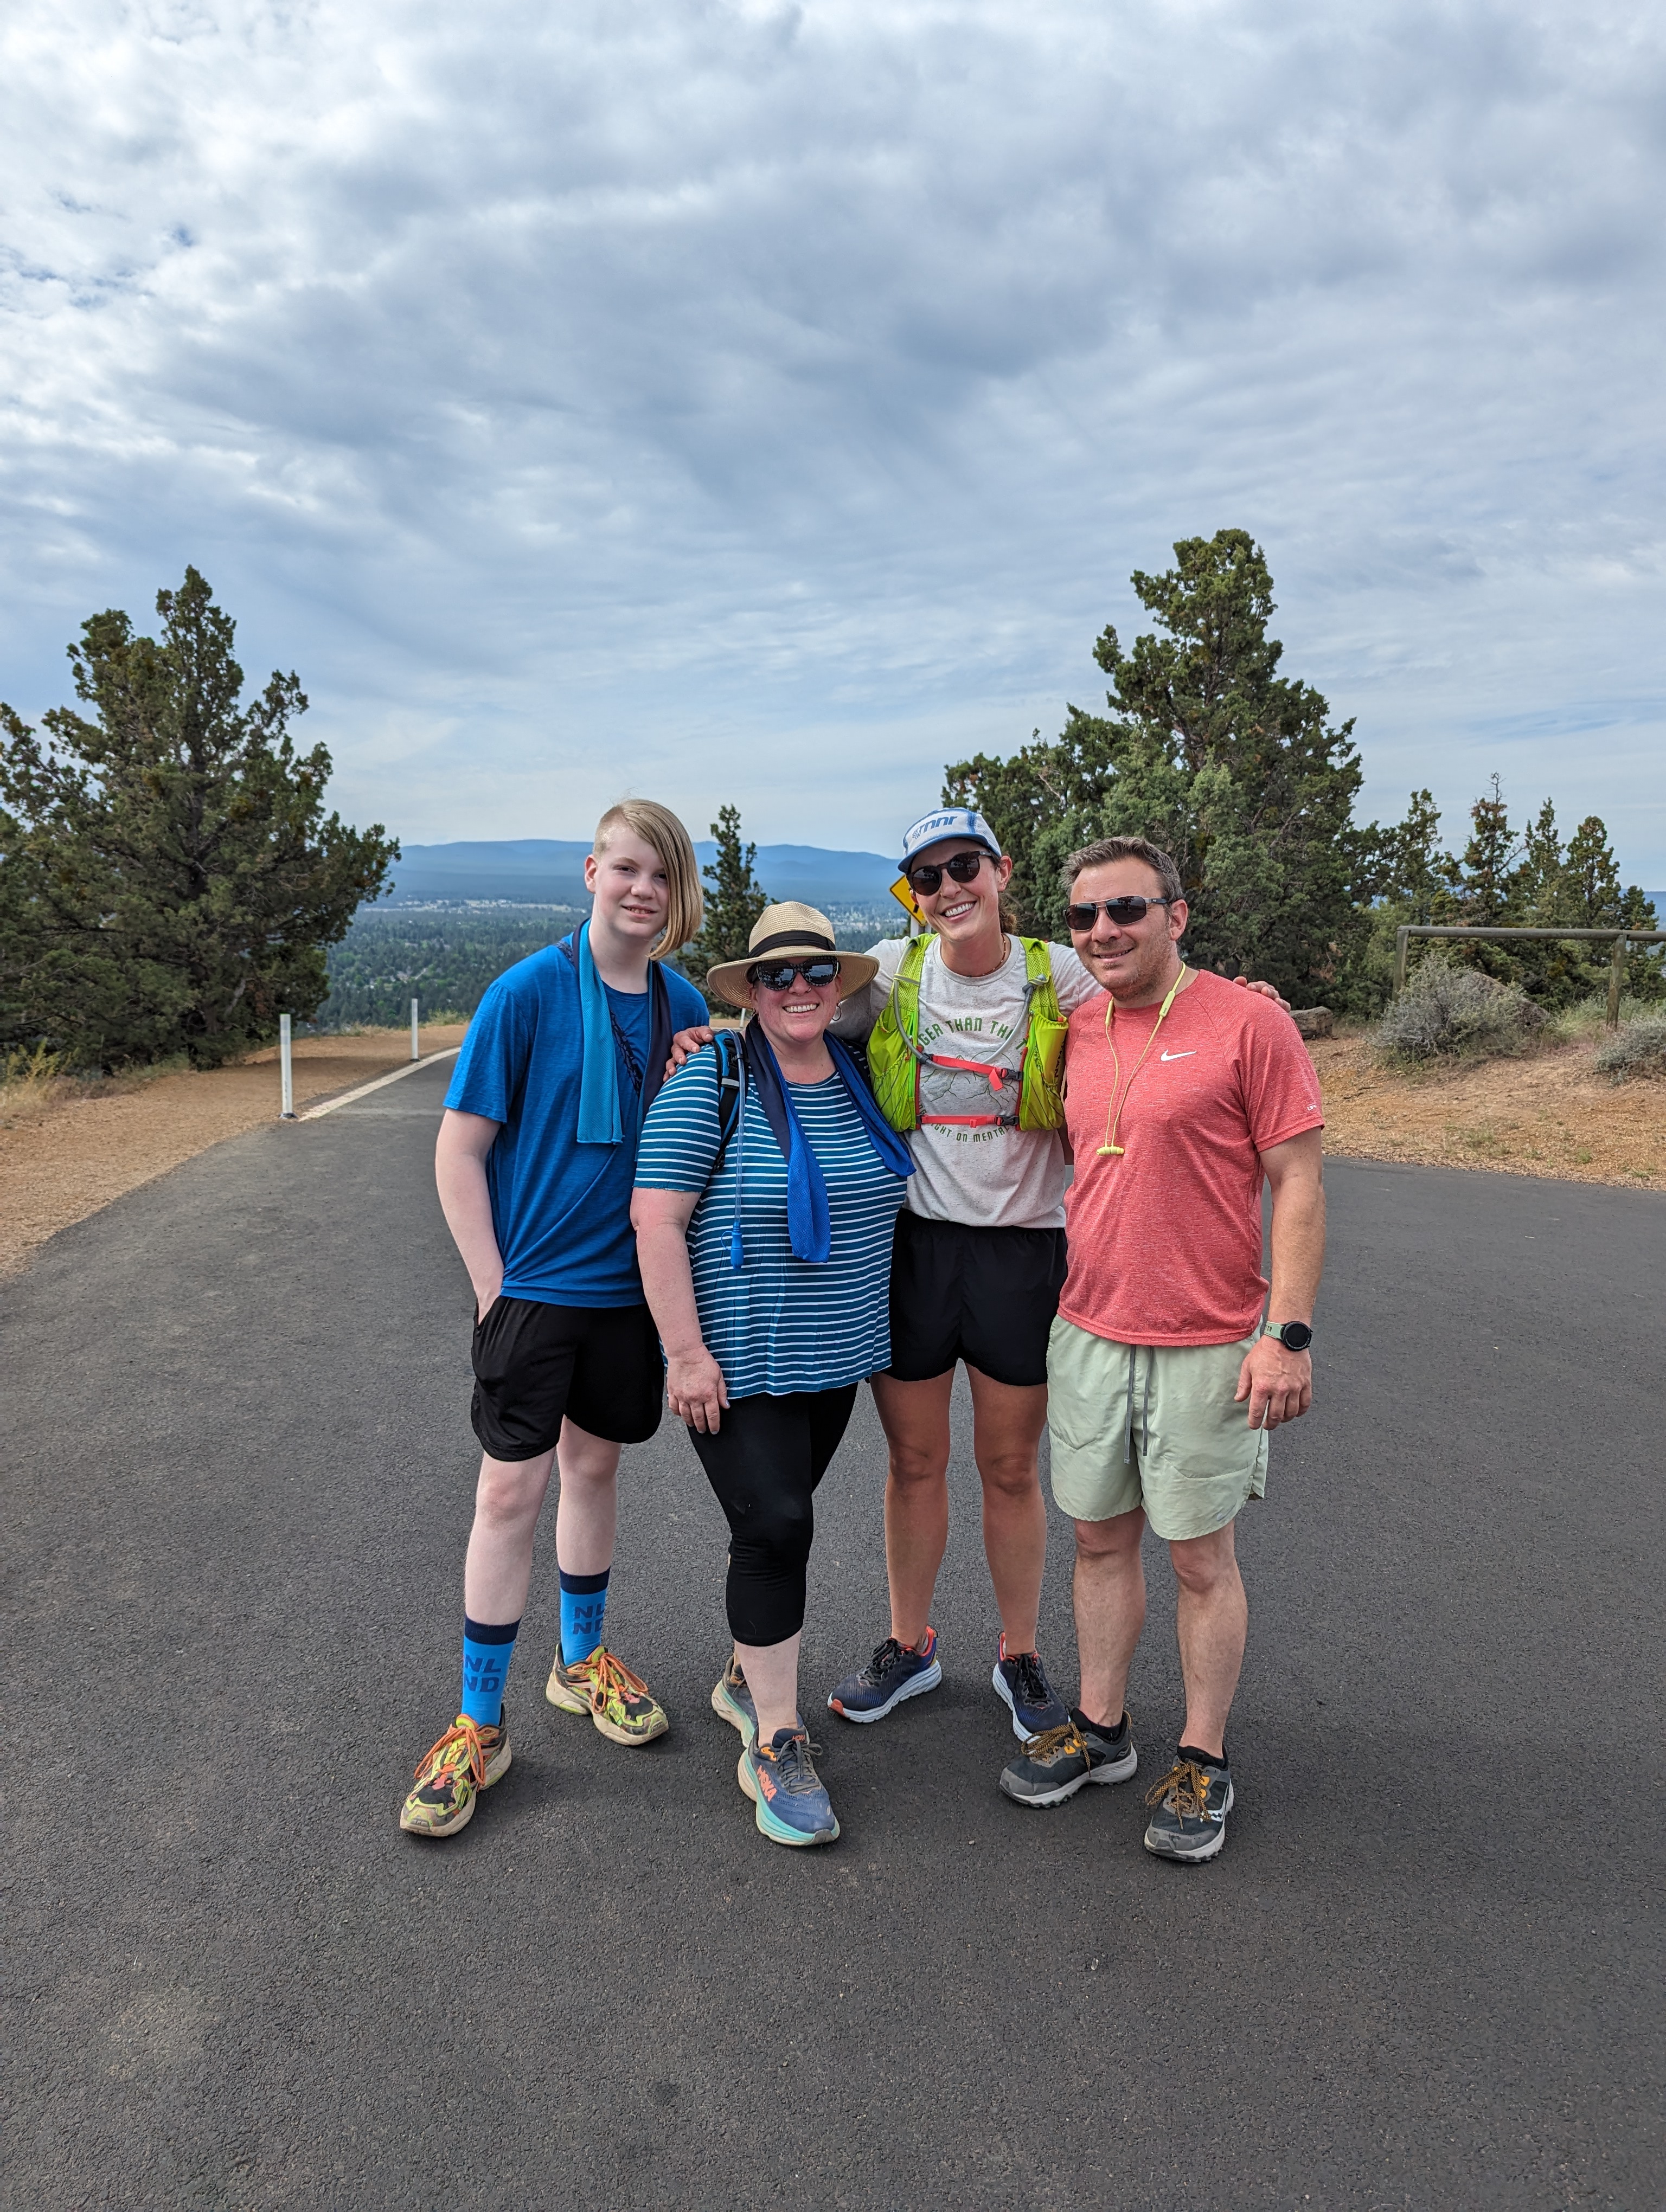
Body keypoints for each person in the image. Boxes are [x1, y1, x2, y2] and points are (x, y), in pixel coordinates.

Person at [819, 807, 1286, 1777]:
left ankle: (1020, 1653)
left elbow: (1159, 992)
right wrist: (703, 1039)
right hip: (915, 1245)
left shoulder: (1060, 970)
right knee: (914, 1460)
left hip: (1025, 1252)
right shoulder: (891, 970)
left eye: (964, 867)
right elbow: (797, 1016)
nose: (948, 889)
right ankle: (909, 1643)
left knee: (1010, 1468)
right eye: (926, 877)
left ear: (1000, 871)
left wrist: (1243, 1003)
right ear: (912, 895)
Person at [998, 834, 1324, 1864]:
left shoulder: (1250, 1022)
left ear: (1175, 916)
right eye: (1085, 916)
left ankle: (1203, 1756)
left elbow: (1299, 1183)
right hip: (1090, 1331)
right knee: (1098, 1542)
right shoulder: (1073, 1029)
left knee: (1199, 1559)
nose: (1103, 931)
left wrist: (1287, 1334)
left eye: (1127, 909)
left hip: (1209, 1341)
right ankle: (1101, 1729)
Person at [400, 800, 710, 1838]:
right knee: (507, 1495)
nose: (643, 890)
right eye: (627, 868)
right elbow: (460, 1149)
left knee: (594, 1471)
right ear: (591, 873)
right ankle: (478, 1722)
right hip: (534, 1291)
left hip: (627, 1295)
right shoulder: (527, 992)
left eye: (662, 875)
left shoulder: (681, 1004)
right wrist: (493, 1286)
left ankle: (580, 1662)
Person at [632, 904, 914, 1848]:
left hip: (835, 1357)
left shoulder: (862, 1070)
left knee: (776, 1524)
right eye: (777, 975)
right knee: (777, 1527)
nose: (799, 988)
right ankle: (776, 1740)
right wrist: (684, 1353)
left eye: (816, 972)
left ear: (840, 985)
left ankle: (746, 1675)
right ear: (750, 991)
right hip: (737, 1360)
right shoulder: (712, 1074)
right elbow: (656, 1220)